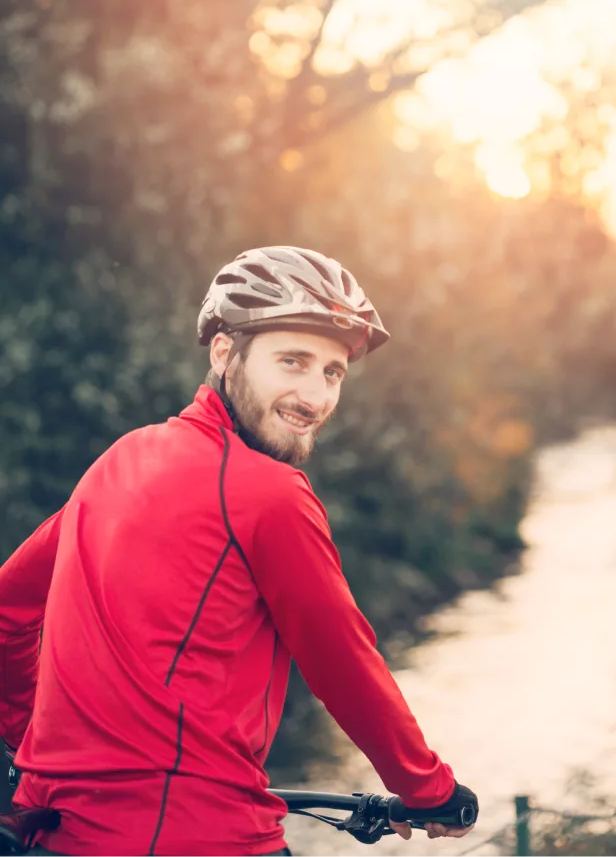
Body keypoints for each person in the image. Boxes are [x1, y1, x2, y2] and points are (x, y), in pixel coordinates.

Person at [0, 246, 478, 856]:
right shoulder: (271, 493)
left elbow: (6, 612)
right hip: (198, 838)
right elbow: (344, 664)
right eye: (292, 361)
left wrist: (34, 745)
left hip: (50, 832)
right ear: (225, 353)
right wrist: (430, 788)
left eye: (332, 372)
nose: (315, 396)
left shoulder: (119, 461)